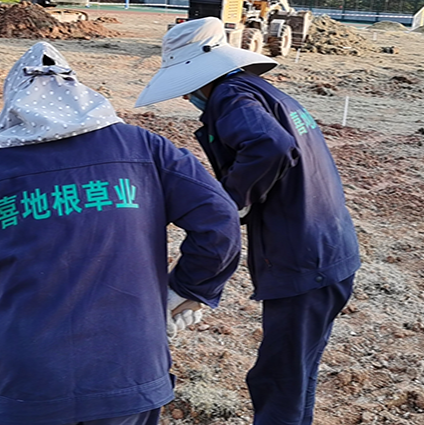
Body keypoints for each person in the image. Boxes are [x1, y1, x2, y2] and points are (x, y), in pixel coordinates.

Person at [0, 41, 242, 425]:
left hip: (29, 373)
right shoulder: (143, 147)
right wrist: (187, 290)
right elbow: (220, 221)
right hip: (128, 364)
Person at [136, 17, 361, 425]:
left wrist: (231, 201)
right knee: (296, 372)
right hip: (328, 247)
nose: (186, 95)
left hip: (304, 258)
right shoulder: (262, 91)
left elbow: (269, 145)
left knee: (279, 378)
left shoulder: (230, 96)